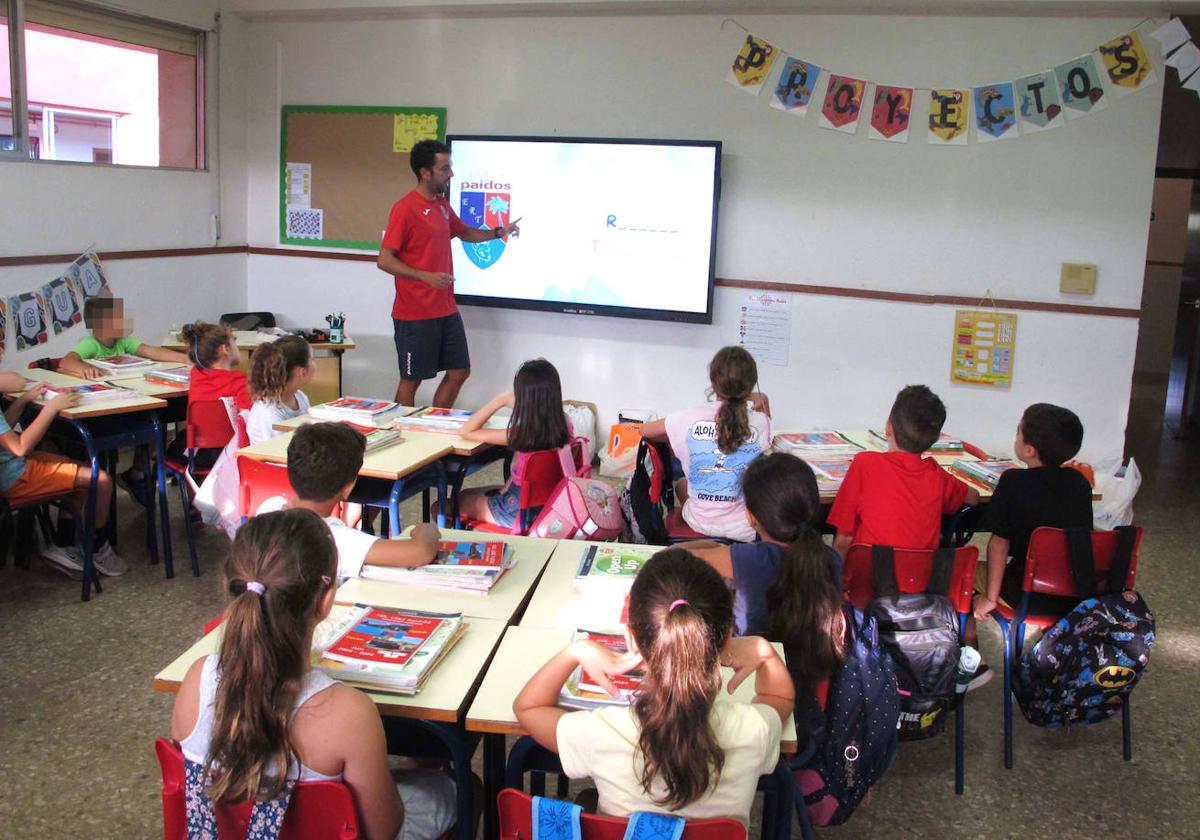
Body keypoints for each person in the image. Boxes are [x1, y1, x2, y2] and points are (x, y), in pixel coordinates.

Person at [169, 508, 456, 840]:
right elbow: (383, 829)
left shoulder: (195, 680)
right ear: (326, 601)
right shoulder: (349, 713)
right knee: (457, 790)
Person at [513, 548, 793, 825]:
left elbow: (528, 708)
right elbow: (779, 696)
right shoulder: (753, 730)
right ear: (728, 634)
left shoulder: (602, 732)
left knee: (587, 798)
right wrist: (764, 652)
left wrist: (576, 652)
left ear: (631, 638)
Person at [376, 139, 519, 408]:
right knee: (411, 380)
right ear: (425, 173)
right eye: (444, 169)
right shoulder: (405, 208)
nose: (450, 174)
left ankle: (435, 425)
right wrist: (424, 276)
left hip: (445, 310)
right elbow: (384, 260)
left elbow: (465, 232)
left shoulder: (442, 205)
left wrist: (499, 232)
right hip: (414, 313)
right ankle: (400, 434)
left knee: (459, 372)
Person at [679, 451, 843, 636]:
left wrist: (709, 548)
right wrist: (721, 549)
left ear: (750, 516)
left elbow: (678, 559)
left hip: (757, 660)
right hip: (817, 662)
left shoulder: (751, 559)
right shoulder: (830, 558)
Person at [0, 361, 126, 577]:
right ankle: (96, 548)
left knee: (79, 468)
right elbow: (19, 448)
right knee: (101, 480)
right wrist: (51, 408)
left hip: (9, 464)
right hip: (14, 476)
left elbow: (4, 430)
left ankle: (65, 543)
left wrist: (23, 400)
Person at [973, 403, 1093, 624]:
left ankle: (968, 647)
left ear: (1029, 451)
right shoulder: (1080, 483)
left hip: (1024, 592)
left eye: (1018, 432)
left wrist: (990, 598)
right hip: (1075, 595)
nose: (1016, 436)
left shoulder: (1013, 481)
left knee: (959, 568)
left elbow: (999, 545)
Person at [827, 384, 979, 556]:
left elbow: (844, 540)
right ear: (936, 438)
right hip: (922, 580)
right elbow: (973, 498)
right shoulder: (936, 476)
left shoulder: (865, 464)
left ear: (888, 427)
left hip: (867, 578)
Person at [640, 346, 771, 542]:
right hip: (746, 528)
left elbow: (644, 431)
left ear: (713, 383)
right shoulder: (761, 422)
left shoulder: (687, 418)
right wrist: (762, 399)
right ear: (751, 385)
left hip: (699, 522)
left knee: (682, 484)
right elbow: (768, 436)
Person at [286, 422, 439, 579]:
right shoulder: (334, 538)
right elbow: (420, 552)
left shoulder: (270, 510)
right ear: (349, 487)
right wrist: (428, 530)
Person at [451, 358, 572, 530]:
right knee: (465, 494)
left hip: (517, 510)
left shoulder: (523, 432)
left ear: (523, 396)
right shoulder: (565, 423)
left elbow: (466, 431)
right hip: (550, 504)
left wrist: (500, 400)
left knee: (448, 505)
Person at [58, 296, 190, 380]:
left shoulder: (123, 340)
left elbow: (149, 351)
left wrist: (184, 358)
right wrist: (83, 369)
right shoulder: (90, 343)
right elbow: (66, 362)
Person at [246, 335, 314, 444]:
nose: (315, 364)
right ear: (303, 372)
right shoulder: (269, 412)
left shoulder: (300, 397)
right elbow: (279, 452)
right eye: (312, 360)